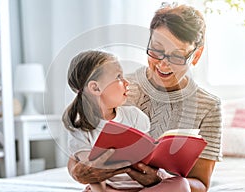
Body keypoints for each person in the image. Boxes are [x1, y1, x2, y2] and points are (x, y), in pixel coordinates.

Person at [68, 2, 222, 192]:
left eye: (177, 56)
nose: (163, 64)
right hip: (113, 187)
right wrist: (79, 172)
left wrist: (158, 179)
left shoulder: (209, 106)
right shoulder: (118, 88)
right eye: (156, 50)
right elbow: (78, 151)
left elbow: (200, 184)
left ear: (196, 55)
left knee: (180, 186)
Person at [62, 50, 151, 192]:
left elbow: (148, 155)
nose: (127, 82)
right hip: (112, 189)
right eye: (119, 77)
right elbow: (93, 173)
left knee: (180, 185)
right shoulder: (80, 131)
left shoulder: (134, 116)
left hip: (144, 186)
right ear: (95, 87)